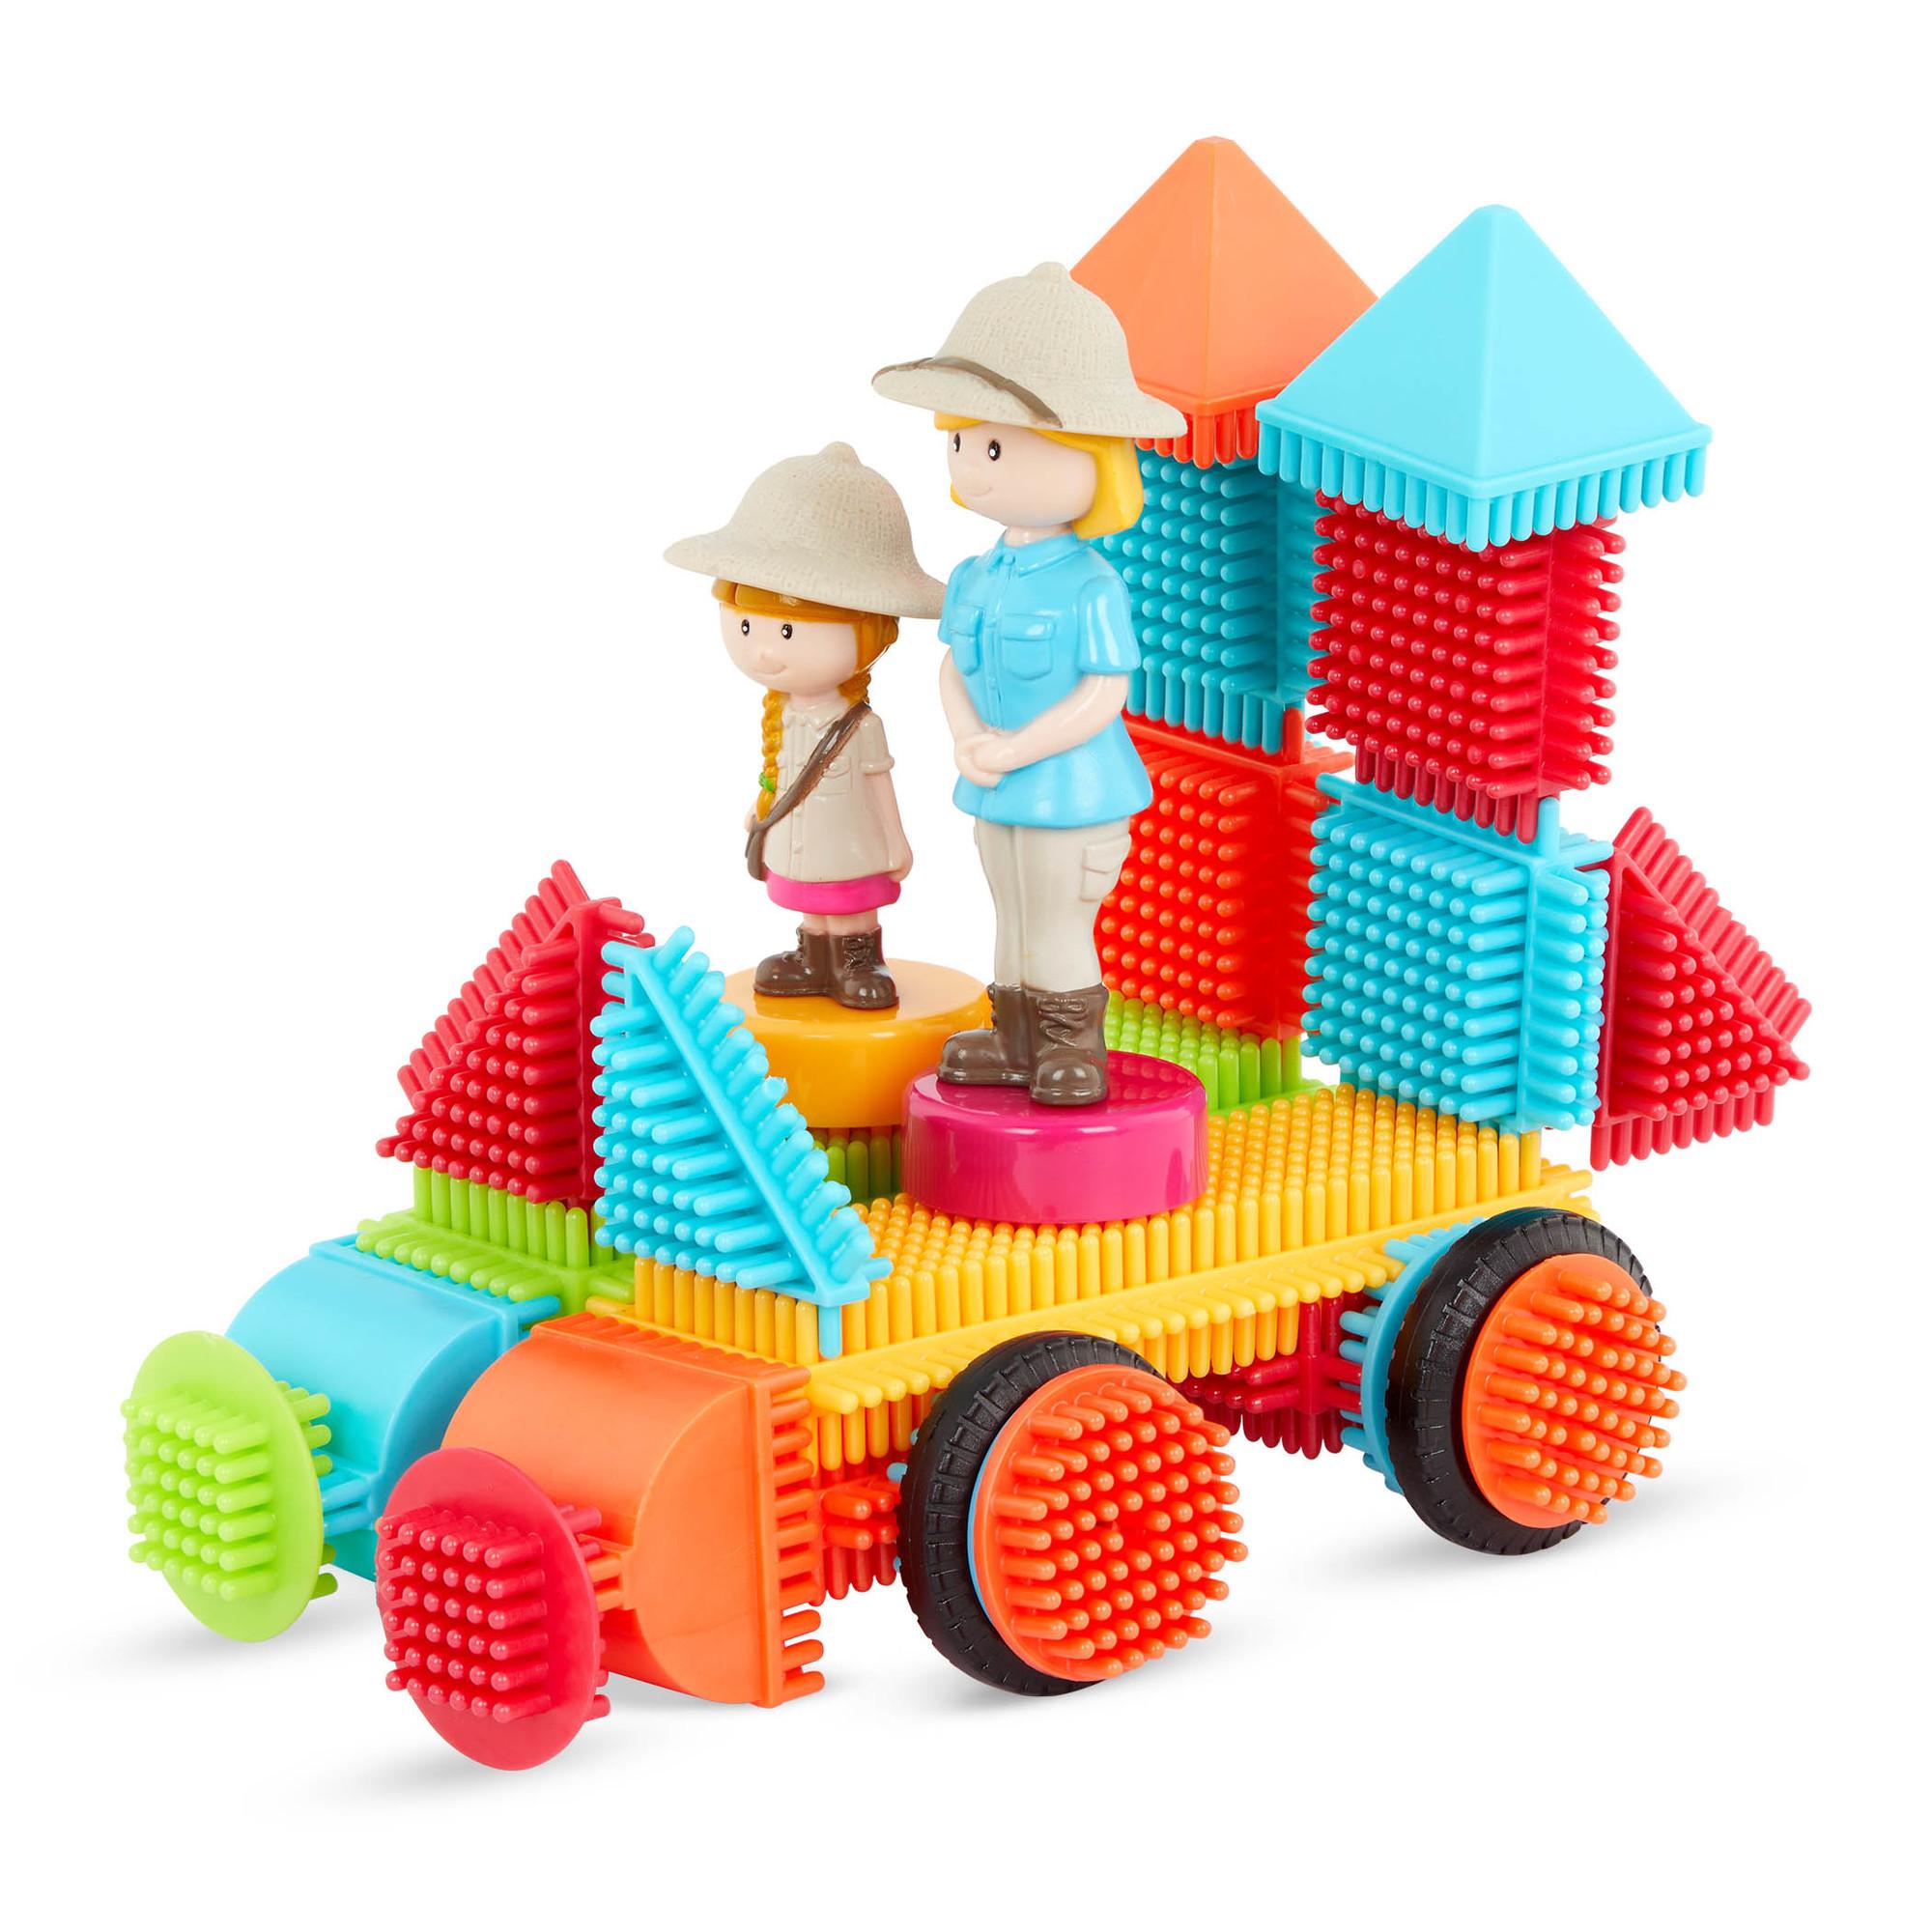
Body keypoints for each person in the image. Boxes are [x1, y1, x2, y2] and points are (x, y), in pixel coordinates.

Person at [873, 264, 1185, 1102]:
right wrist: (966, 737)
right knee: (1008, 910)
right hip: (996, 780)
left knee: (1054, 916)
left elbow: (1103, 695)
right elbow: (954, 664)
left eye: (996, 447)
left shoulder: (1092, 585)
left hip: (1074, 788)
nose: (973, 467)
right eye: (963, 444)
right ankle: (1015, 1035)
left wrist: (1017, 747)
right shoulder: (977, 574)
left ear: (1091, 459)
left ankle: (1068, 1042)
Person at [665, 442, 943, 1009]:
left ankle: (858, 959)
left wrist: (895, 841)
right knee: (812, 898)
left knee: (848, 899)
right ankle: (814, 956)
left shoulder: (859, 724)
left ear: (870, 633)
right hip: (797, 835)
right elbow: (778, 767)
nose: (764, 651)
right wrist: (762, 807)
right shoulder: (783, 713)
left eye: (787, 631)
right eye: (747, 627)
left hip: (851, 838)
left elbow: (879, 783)